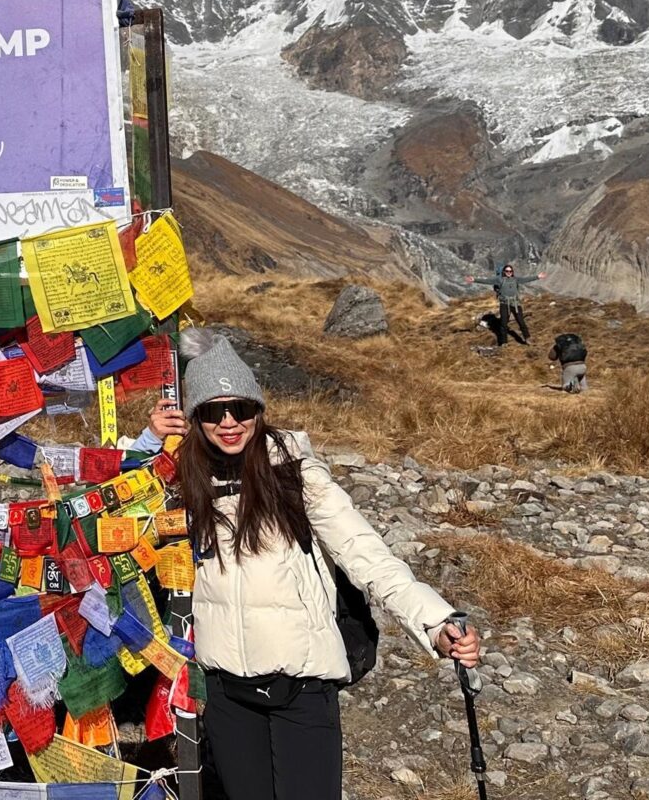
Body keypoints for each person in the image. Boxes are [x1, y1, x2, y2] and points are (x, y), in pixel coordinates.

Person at [150, 337, 482, 800]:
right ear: (195, 418)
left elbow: (366, 553)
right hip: (226, 694)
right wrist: (150, 443)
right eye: (212, 411)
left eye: (240, 408)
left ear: (258, 409)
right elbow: (107, 507)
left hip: (302, 689)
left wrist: (436, 621)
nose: (229, 422)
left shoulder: (295, 474)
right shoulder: (182, 478)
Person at [466, 262, 538, 346]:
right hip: (504, 304)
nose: (509, 272)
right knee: (503, 324)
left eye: (510, 271)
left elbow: (526, 279)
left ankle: (528, 338)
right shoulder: (499, 280)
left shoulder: (515, 279)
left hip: (515, 304)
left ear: (512, 272)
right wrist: (474, 280)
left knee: (521, 322)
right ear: (504, 272)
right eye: (507, 271)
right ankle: (504, 342)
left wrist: (538, 277)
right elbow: (487, 281)